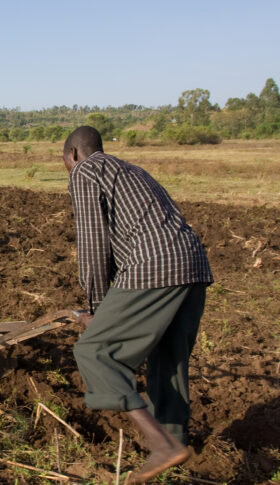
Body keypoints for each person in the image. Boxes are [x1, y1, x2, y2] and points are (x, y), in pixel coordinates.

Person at [62, 126, 213, 484]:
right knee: (168, 357)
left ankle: (161, 446)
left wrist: (97, 307)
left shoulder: (85, 171)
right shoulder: (131, 171)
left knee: (94, 351)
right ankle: (176, 440)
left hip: (155, 266)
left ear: (73, 154)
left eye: (64, 162)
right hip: (193, 266)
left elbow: (94, 240)